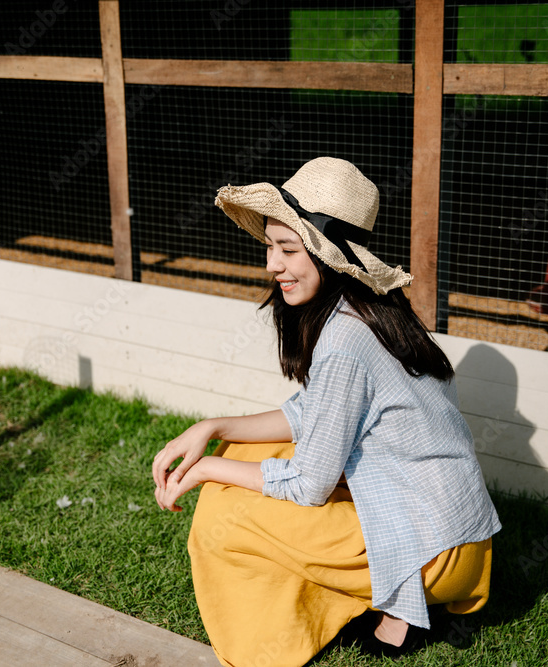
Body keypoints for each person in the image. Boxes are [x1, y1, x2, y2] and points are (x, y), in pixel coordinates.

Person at [152, 157, 502, 667]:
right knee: (251, 450)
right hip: (458, 534)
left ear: (332, 257)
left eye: (289, 249)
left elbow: (308, 486)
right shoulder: (371, 310)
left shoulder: (344, 341)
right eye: (271, 246)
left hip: (433, 551)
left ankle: (346, 619)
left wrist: (204, 470)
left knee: (225, 512)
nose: (273, 265)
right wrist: (213, 428)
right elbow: (309, 413)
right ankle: (379, 601)